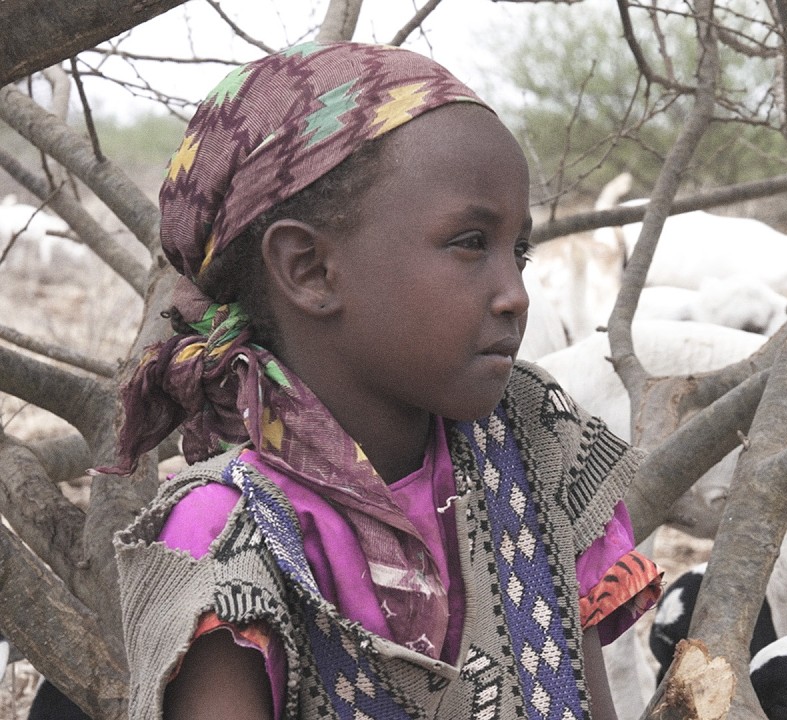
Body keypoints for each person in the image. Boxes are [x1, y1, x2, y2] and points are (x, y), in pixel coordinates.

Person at [104, 41, 662, 720]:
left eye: (519, 251)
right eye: (470, 243)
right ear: (309, 269)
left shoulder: (534, 448)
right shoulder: (227, 542)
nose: (516, 295)